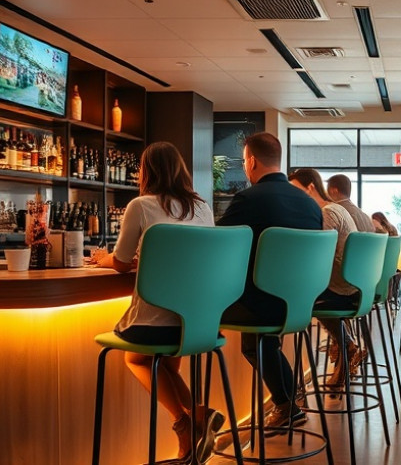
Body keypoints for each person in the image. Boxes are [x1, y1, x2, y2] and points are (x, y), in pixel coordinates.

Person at [101, 142, 220, 462]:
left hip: (153, 324)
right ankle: (198, 416)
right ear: (181, 170)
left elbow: (122, 262)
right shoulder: (203, 208)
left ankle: (184, 422)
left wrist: (104, 260)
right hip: (196, 323)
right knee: (165, 363)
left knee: (136, 360)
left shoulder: (140, 205)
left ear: (146, 172)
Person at [218, 133, 323, 434]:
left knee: (242, 332)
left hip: (260, 307)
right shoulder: (311, 206)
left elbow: (217, 247)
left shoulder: (248, 200)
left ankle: (287, 403)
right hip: (300, 307)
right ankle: (288, 402)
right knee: (264, 338)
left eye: (242, 161)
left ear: (250, 161)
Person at [288, 168, 366, 389]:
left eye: (297, 190)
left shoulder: (328, 212)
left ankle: (346, 344)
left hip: (341, 289)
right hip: (353, 286)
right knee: (307, 297)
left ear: (311, 187)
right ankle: (346, 345)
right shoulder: (335, 209)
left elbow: (317, 256)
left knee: (301, 301)